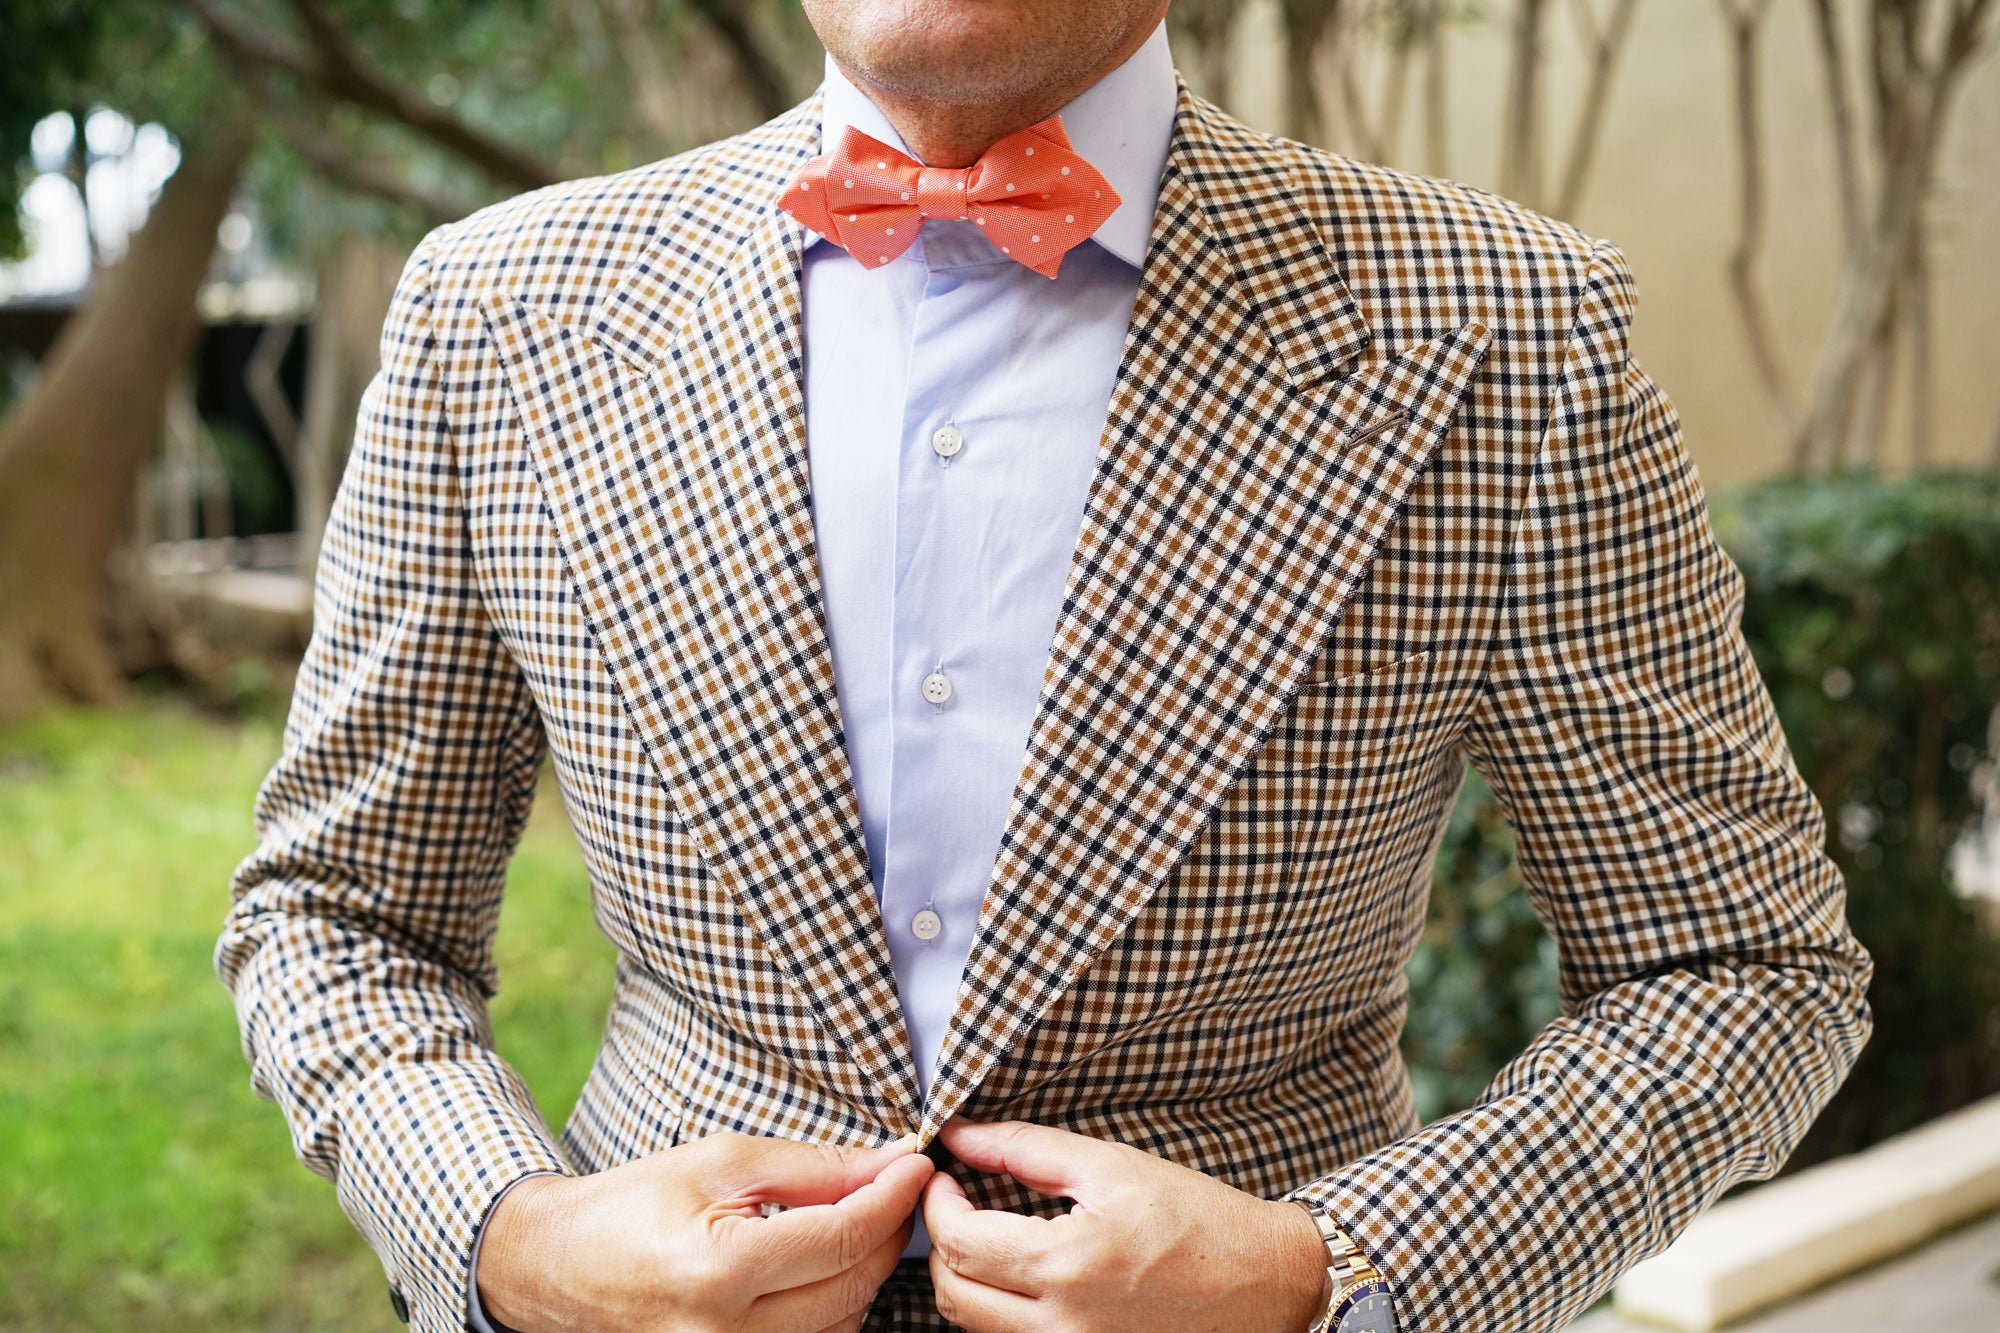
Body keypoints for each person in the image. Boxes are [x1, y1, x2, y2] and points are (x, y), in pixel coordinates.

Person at [216, 0, 1874, 1330]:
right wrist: (510, 1236)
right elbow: (338, 918)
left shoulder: (1506, 332)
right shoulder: (498, 315)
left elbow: (1744, 969)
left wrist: (1332, 1271)